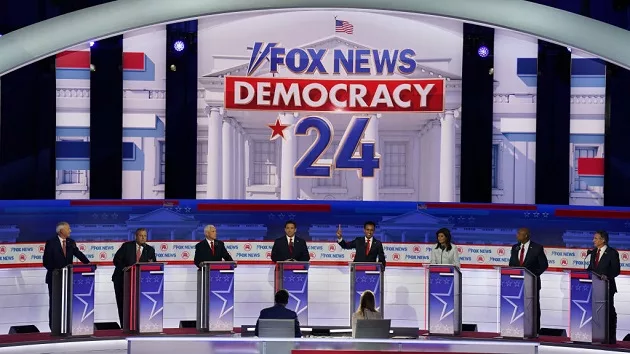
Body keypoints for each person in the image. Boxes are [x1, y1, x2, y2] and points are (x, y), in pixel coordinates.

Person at [43, 222, 90, 329]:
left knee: (68, 303)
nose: (70, 231)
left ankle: (68, 326)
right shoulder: (51, 242)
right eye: (68, 229)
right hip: (54, 278)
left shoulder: (71, 242)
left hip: (69, 278)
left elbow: (78, 254)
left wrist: (88, 264)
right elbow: (46, 261)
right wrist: (57, 271)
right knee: (55, 303)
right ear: (61, 231)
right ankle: (54, 327)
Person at [112, 228, 157, 327]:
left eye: (145, 236)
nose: (143, 238)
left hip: (139, 282)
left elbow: (153, 264)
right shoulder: (127, 246)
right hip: (122, 280)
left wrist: (151, 264)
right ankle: (124, 326)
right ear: (136, 236)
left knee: (138, 305)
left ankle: (138, 325)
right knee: (123, 304)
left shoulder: (149, 250)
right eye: (141, 236)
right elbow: (116, 260)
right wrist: (125, 268)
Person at [508, 227, 548, 334]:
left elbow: (544, 265)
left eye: (519, 234)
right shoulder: (515, 247)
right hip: (516, 283)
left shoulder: (537, 248)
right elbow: (511, 264)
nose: (517, 235)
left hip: (532, 284)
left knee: (533, 307)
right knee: (517, 306)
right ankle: (516, 328)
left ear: (526, 235)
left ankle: (535, 330)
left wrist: (533, 276)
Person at [587, 230, 620, 344]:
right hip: (595, 287)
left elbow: (616, 270)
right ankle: (597, 335)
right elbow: (591, 268)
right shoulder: (593, 252)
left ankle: (610, 338)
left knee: (609, 311)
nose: (593, 240)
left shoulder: (612, 253)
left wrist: (607, 276)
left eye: (596, 238)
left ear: (603, 240)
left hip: (607, 286)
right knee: (595, 311)